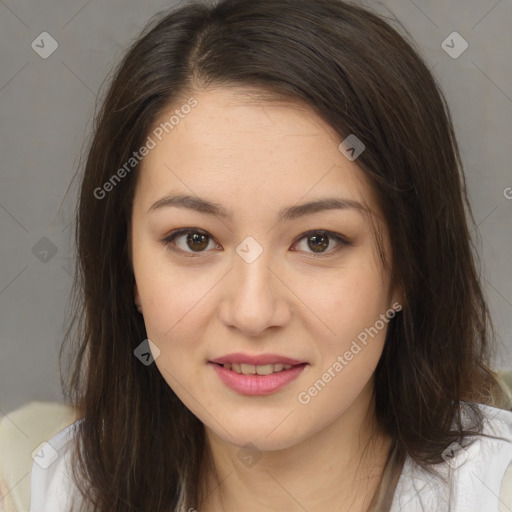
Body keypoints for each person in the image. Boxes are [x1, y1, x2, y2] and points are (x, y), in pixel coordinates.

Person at [24, 0, 512, 510]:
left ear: (410, 267)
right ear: (126, 267)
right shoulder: (40, 487)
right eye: (195, 239)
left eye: (318, 240)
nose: (253, 313)